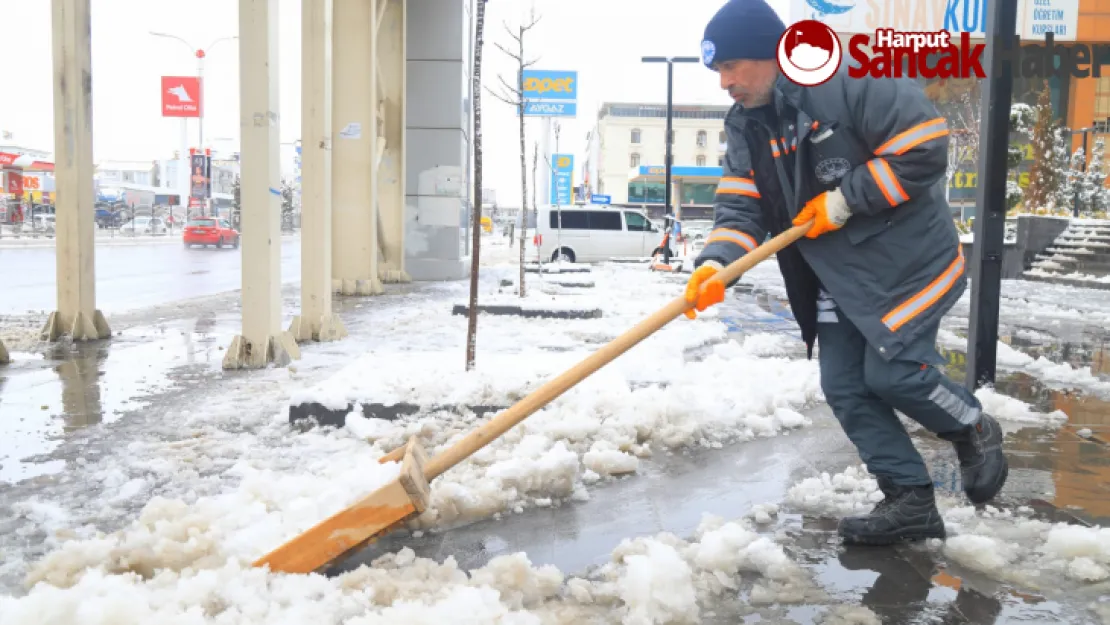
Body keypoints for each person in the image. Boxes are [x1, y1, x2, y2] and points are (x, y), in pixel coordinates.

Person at [683, 0, 1007, 546]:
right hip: (834, 274)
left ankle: (973, 425)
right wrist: (718, 264)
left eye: (733, 65)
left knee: (895, 376)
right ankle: (909, 500)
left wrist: (844, 201)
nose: (726, 83)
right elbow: (742, 206)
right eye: (718, 71)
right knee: (845, 386)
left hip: (904, 261)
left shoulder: (848, 75)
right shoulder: (746, 125)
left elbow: (923, 147)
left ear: (771, 53)